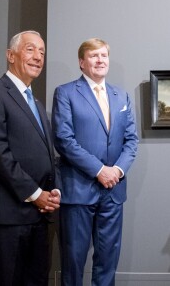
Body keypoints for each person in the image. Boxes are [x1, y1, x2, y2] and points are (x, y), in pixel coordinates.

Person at [0, 30, 61, 286]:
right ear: (11, 55)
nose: (38, 57)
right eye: (31, 49)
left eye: (42, 52)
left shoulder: (38, 104)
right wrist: (35, 193)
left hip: (39, 215)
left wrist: (53, 193)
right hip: (7, 214)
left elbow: (47, 156)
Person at [51, 38, 138, 286]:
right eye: (93, 56)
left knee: (108, 260)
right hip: (78, 189)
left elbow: (131, 140)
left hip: (113, 190)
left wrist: (117, 171)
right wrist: (99, 170)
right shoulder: (66, 92)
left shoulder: (121, 96)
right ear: (81, 62)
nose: (100, 60)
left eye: (104, 56)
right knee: (73, 260)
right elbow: (64, 140)